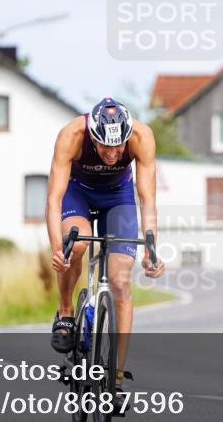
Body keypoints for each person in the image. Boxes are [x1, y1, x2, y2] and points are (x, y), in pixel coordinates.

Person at [45, 97, 165, 404]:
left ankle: (116, 379)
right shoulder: (71, 135)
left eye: (117, 147)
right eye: (103, 146)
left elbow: (147, 197)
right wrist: (58, 247)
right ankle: (66, 312)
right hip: (77, 193)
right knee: (80, 242)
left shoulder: (141, 136)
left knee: (121, 281)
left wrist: (151, 246)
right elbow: (54, 198)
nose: (112, 154)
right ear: (93, 135)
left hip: (118, 196)